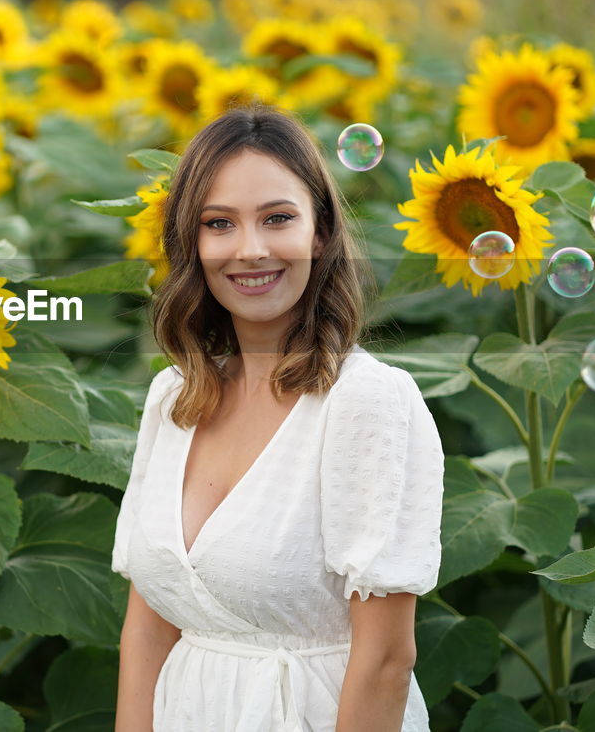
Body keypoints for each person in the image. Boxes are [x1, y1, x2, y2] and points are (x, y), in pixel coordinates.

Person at [111, 104, 444, 731]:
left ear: (320, 233)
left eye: (278, 218)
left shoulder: (366, 402)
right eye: (219, 223)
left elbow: (386, 660)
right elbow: (147, 628)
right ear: (193, 242)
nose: (251, 250)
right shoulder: (173, 397)